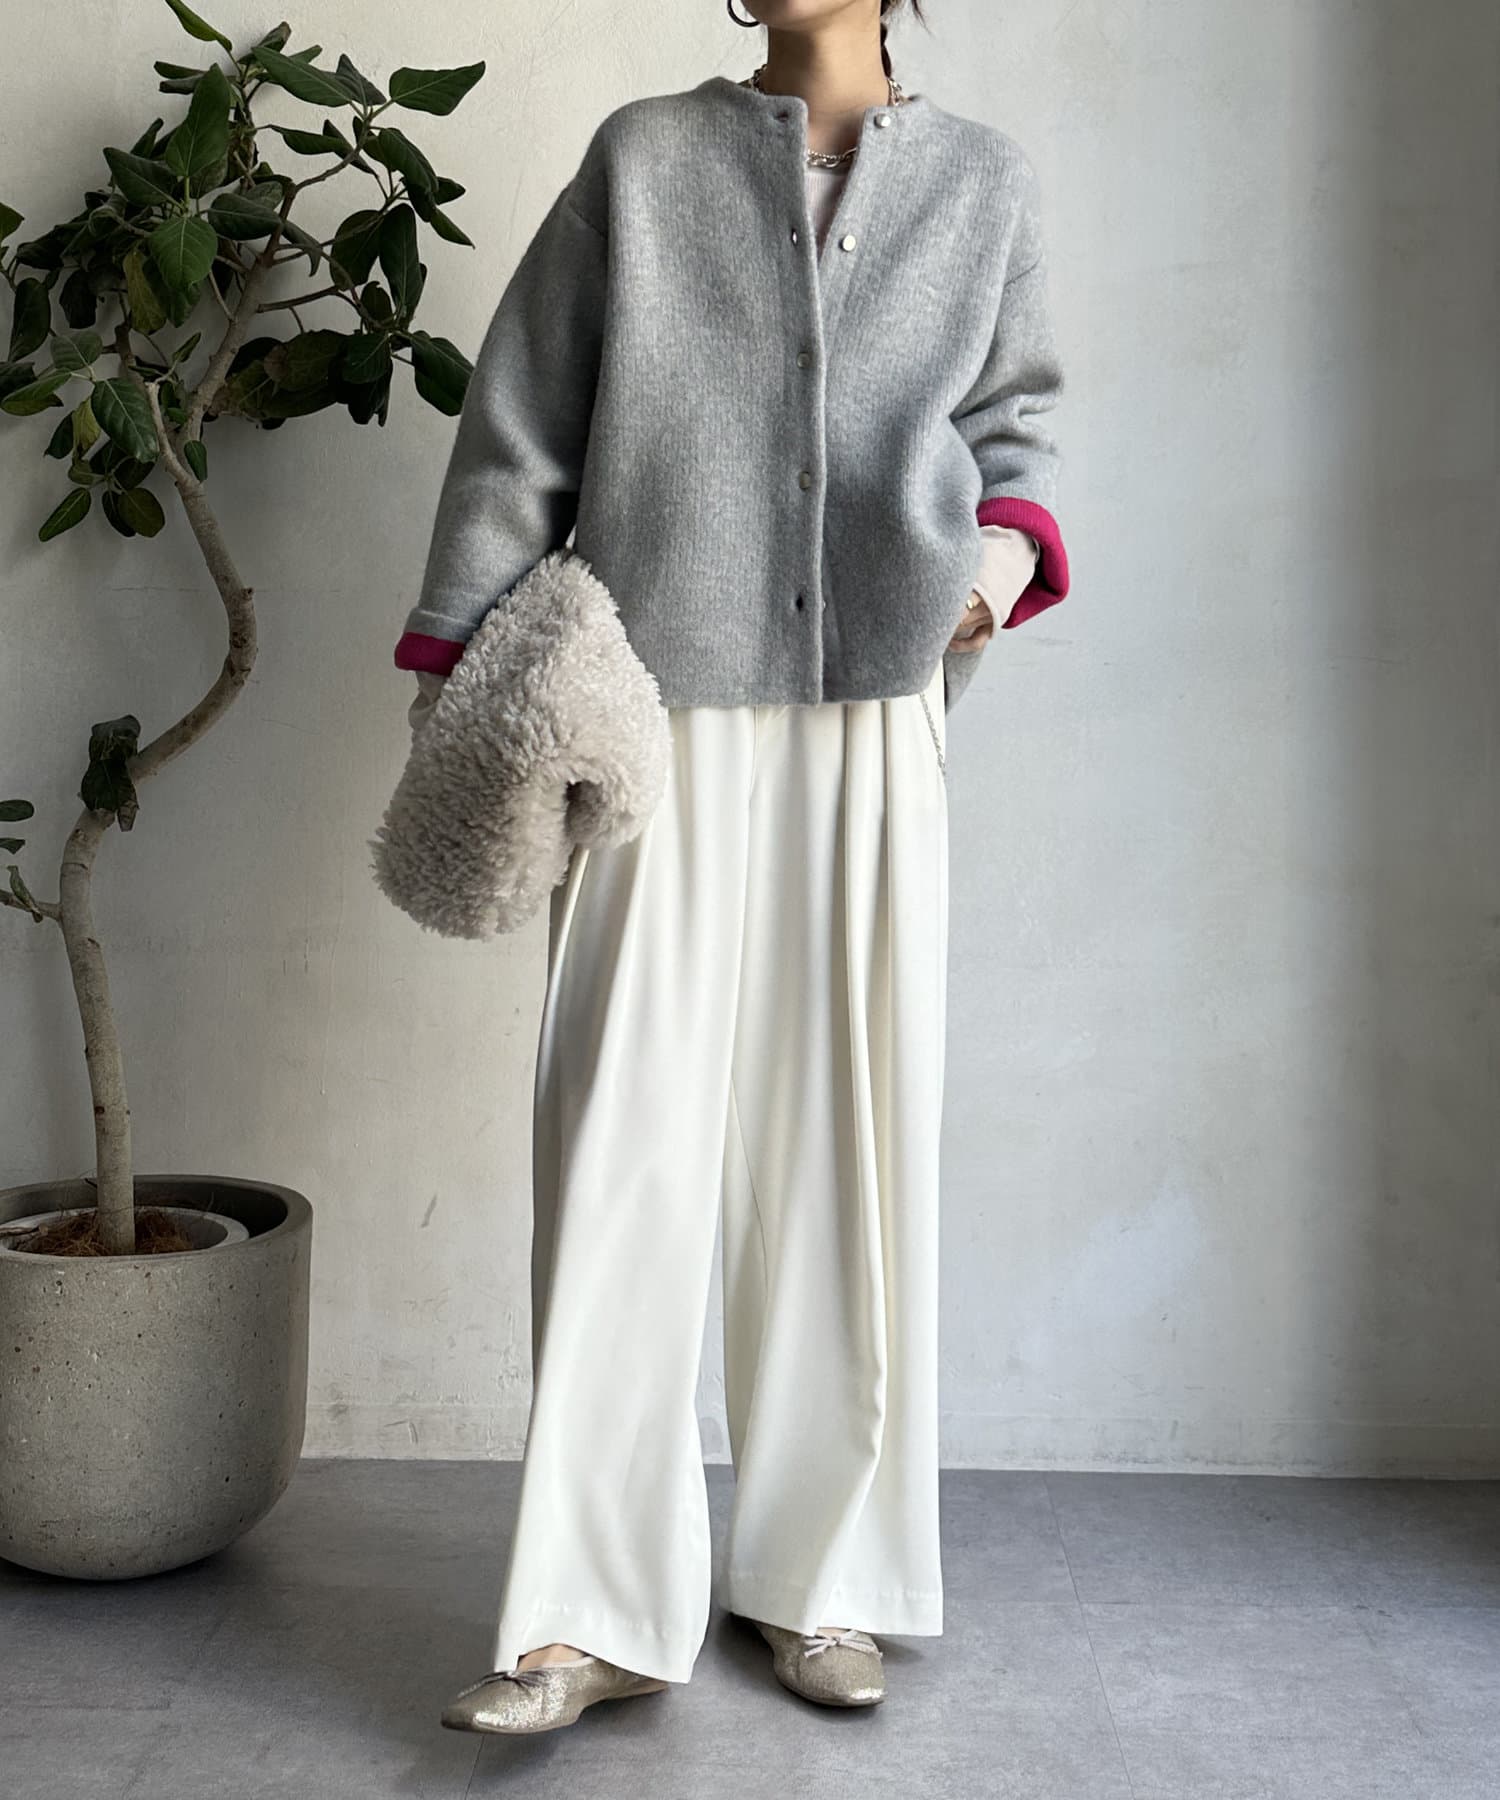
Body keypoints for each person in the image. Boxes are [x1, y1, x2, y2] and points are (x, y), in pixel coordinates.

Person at [396, 0, 1069, 1734]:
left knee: (846, 1146)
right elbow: (520, 426)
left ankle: (819, 1577)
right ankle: (586, 1615)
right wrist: (458, 667)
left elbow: (1019, 437)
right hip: (651, 695)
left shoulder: (983, 184)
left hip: (874, 714)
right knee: (619, 1138)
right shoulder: (644, 158)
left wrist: (986, 579)